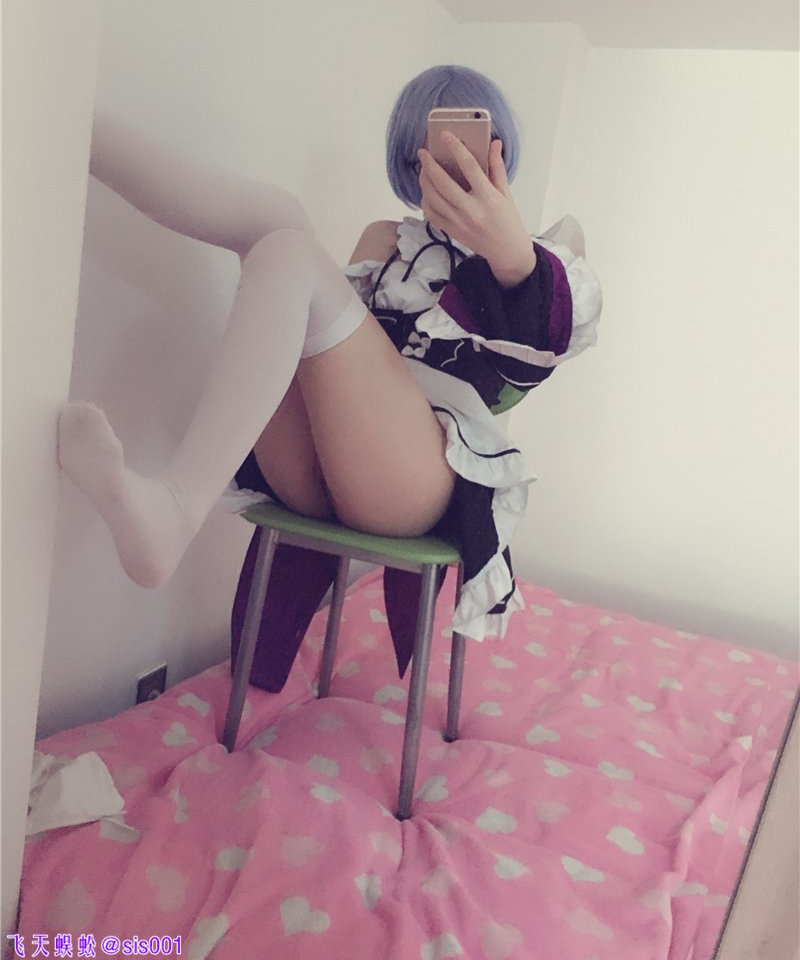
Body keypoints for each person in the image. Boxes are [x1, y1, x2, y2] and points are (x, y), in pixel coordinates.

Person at [59, 65, 601, 679]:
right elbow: (326, 346)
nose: (450, 169)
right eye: (430, 152)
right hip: (319, 462)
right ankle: (71, 116)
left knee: (293, 248)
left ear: (499, 153)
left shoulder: (533, 260)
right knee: (280, 221)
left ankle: (176, 508)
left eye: (472, 150)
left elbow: (539, 357)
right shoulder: (385, 239)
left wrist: (511, 254)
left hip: (415, 481)